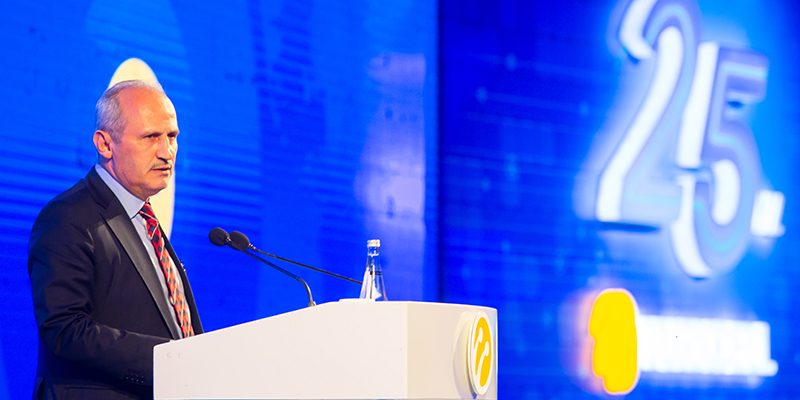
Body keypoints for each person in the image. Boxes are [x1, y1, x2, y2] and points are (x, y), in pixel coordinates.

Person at [28, 80, 203, 400]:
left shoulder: (146, 219)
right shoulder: (67, 217)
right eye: (150, 137)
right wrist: (167, 359)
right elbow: (64, 328)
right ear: (105, 144)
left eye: (172, 136)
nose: (166, 152)